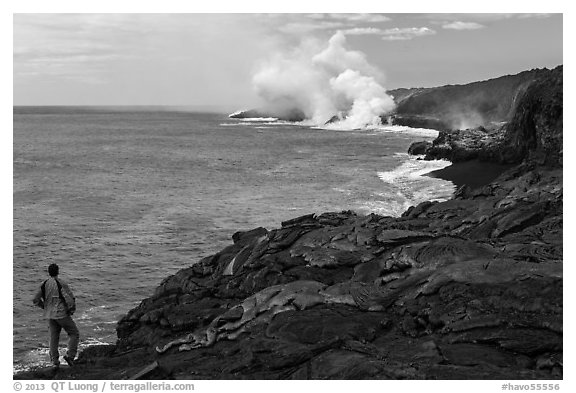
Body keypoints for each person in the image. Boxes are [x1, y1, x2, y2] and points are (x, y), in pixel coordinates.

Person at [33, 263, 79, 367]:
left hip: (50, 315)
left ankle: (55, 361)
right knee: (74, 333)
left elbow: (35, 299)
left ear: (48, 272)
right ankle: (70, 356)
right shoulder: (61, 283)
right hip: (61, 314)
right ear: (58, 271)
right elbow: (69, 299)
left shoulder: (44, 284)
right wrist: (71, 309)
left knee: (53, 337)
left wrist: (44, 307)